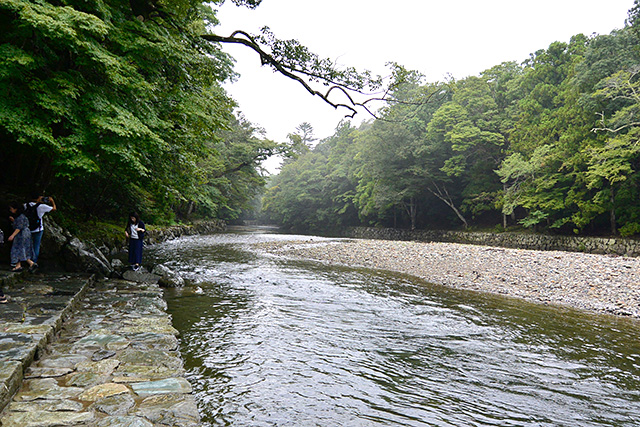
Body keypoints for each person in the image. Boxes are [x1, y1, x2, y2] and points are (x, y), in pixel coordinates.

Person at [25, 193, 56, 263]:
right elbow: (54, 208)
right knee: (36, 246)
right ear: (39, 198)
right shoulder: (42, 206)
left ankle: (26, 261)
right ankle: (33, 262)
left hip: (27, 228)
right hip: (38, 229)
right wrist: (52, 201)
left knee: (27, 245)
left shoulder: (25, 205)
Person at [8, 202, 37, 272]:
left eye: (12, 209)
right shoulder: (22, 216)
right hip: (26, 234)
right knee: (23, 249)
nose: (10, 210)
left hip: (21, 235)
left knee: (17, 249)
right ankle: (30, 263)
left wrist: (12, 235)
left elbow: (19, 227)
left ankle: (18, 266)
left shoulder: (20, 217)